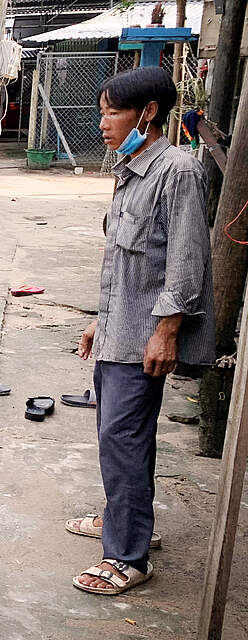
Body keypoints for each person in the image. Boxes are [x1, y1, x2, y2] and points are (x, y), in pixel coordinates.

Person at [70, 67, 214, 596]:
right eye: (103, 111)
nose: (104, 122)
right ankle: (129, 522)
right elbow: (127, 262)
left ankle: (128, 555)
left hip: (144, 336)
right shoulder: (130, 169)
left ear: (147, 112)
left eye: (114, 111)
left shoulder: (176, 170)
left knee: (122, 438)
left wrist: (167, 330)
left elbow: (185, 261)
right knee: (120, 437)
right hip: (119, 328)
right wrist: (99, 320)